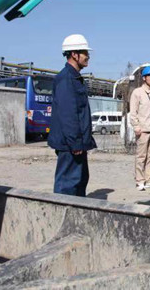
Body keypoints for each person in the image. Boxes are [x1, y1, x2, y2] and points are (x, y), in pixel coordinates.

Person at [48, 34, 96, 197]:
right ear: (74, 54)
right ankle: (62, 216)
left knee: (79, 181)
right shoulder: (66, 79)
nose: (88, 56)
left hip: (77, 143)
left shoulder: (74, 78)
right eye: (85, 53)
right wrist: (75, 143)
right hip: (70, 145)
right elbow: (68, 114)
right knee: (67, 185)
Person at [129, 66, 150, 191]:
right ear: (144, 78)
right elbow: (133, 111)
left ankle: (149, 180)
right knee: (141, 156)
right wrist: (136, 126)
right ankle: (140, 181)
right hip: (143, 129)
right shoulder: (137, 93)